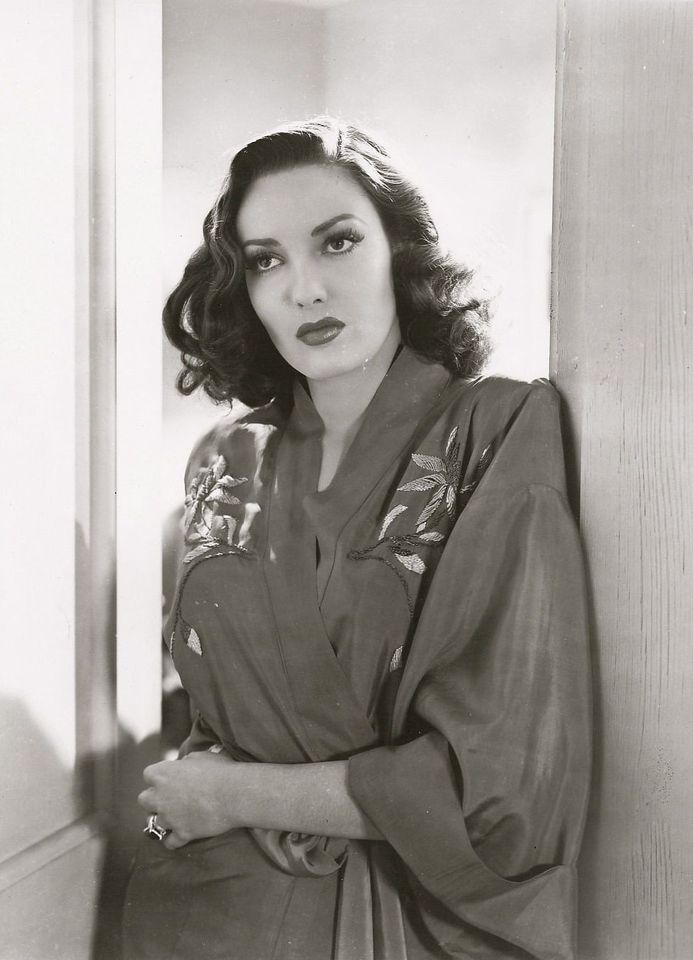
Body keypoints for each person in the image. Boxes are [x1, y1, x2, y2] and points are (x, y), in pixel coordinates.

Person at [122, 117, 591, 960]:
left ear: (399, 252)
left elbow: (503, 785)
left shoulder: (500, 427)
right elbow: (214, 718)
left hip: (415, 921)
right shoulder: (225, 460)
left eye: (336, 243)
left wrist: (235, 796)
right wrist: (209, 793)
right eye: (266, 259)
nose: (303, 289)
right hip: (207, 915)